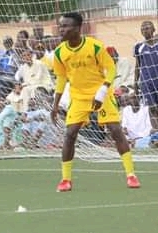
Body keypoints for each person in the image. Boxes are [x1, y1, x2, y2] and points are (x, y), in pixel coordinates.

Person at [50, 12, 140, 192]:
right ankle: (65, 179)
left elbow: (111, 69)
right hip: (78, 97)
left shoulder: (95, 47)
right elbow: (61, 79)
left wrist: (102, 90)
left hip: (101, 94)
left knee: (115, 130)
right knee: (70, 134)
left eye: (65, 26)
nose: (62, 30)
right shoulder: (60, 52)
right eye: (60, 26)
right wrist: (55, 104)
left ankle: (131, 175)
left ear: (77, 28)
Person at [134, 20, 158, 132]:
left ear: (153, 29)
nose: (145, 30)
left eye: (148, 28)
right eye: (143, 29)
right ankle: (156, 133)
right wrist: (135, 84)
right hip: (147, 83)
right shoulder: (139, 47)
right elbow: (137, 66)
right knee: (152, 108)